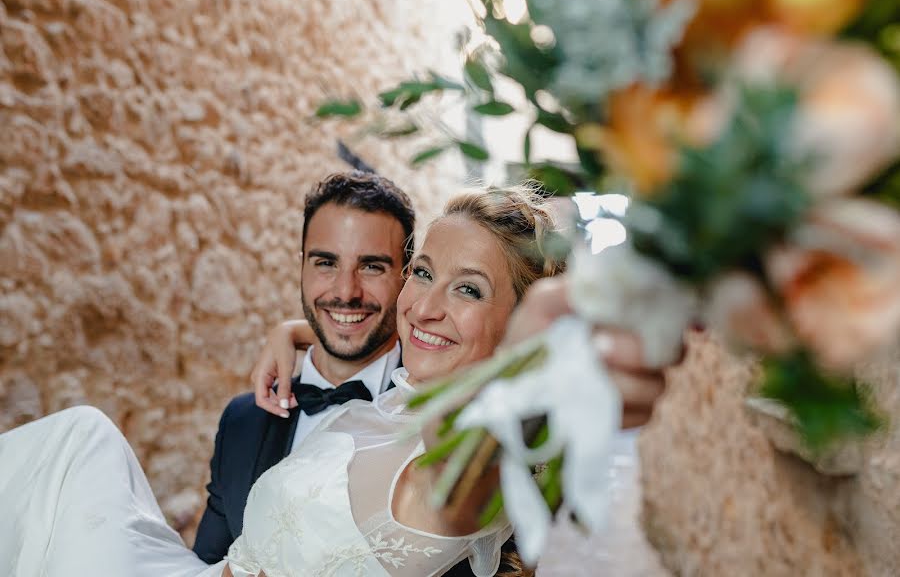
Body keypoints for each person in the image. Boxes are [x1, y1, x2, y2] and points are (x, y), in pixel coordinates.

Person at [0, 184, 670, 576]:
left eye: (468, 289)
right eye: (425, 273)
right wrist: (293, 331)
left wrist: (560, 340)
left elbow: (489, 436)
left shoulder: (451, 469)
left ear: (522, 325)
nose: (425, 305)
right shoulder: (395, 404)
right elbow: (368, 323)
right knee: (78, 443)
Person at [193, 171, 416, 563]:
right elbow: (208, 564)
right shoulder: (242, 423)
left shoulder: (434, 419)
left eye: (372, 267)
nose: (346, 292)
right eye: (326, 262)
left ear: (407, 275)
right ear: (302, 266)